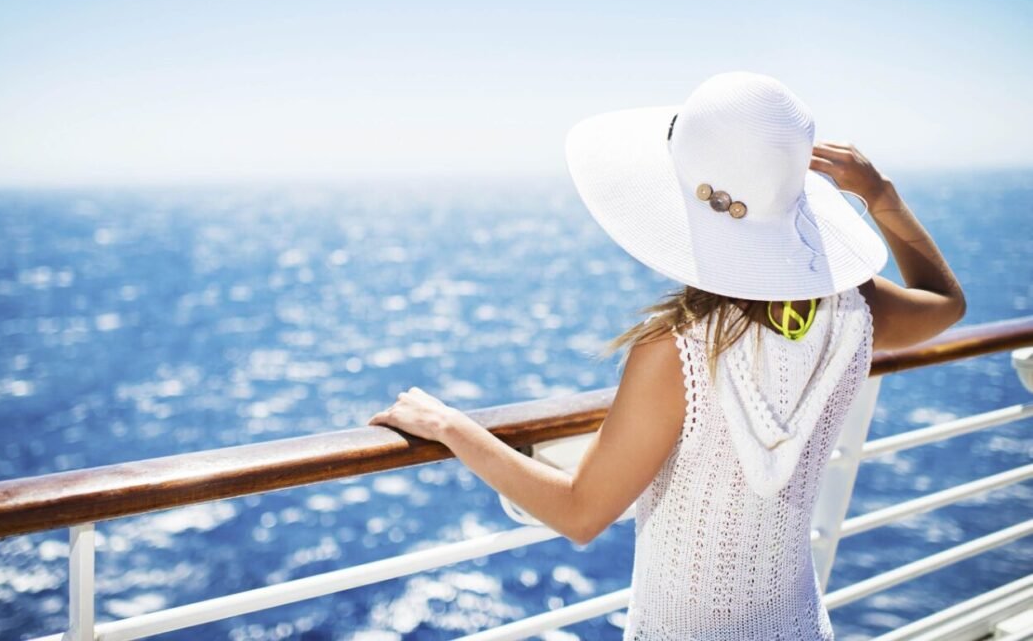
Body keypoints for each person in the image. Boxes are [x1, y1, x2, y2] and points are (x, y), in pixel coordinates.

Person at [367, 71, 965, 638]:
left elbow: (581, 513)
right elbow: (944, 302)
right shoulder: (854, 309)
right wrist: (881, 196)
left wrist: (452, 428)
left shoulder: (677, 351)